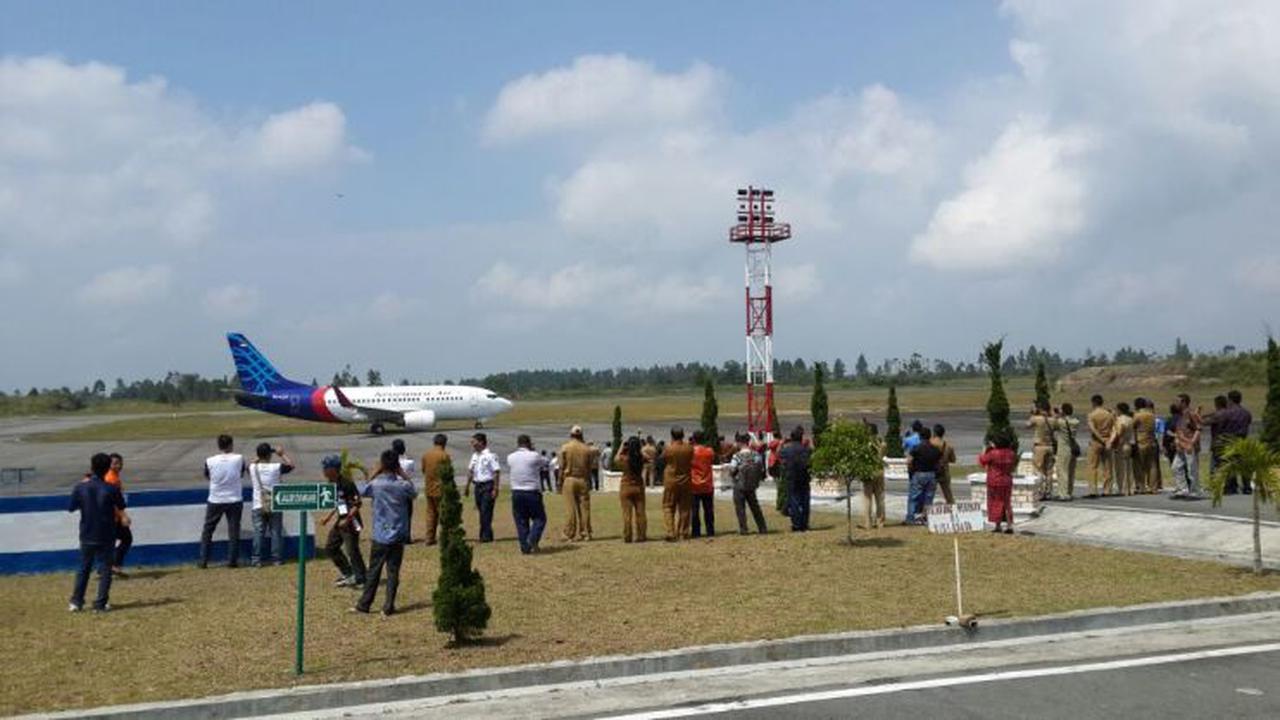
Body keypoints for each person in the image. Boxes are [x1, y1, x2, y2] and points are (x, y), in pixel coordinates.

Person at [351, 450, 415, 616]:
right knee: (393, 572)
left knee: (374, 571)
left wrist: (374, 472)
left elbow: (362, 491)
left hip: (380, 534)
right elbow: (413, 493)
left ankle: (364, 604)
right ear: (397, 466)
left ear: (382, 465)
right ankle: (388, 606)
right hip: (398, 533)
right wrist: (403, 474)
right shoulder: (403, 486)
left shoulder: (376, 485)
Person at [68, 453, 126, 612]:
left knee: (84, 568)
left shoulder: (80, 487)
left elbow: (71, 507)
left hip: (87, 532)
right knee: (106, 569)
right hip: (107, 533)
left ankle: (76, 601)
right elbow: (121, 505)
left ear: (91, 467)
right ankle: (100, 603)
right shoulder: (111, 488)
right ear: (108, 468)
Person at [200, 434, 246, 568]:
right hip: (234, 499)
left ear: (219, 446)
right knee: (234, 531)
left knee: (208, 530)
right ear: (231, 445)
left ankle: (203, 560)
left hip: (215, 498)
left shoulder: (210, 460)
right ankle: (232, 561)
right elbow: (241, 474)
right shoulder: (239, 458)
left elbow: (207, 476)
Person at [320, 455, 366, 587]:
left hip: (351, 522)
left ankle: (361, 578)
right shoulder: (331, 484)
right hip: (341, 520)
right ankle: (348, 573)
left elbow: (357, 504)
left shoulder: (347, 484)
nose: (323, 471)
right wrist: (328, 517)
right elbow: (338, 504)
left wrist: (347, 519)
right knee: (330, 547)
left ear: (333, 469)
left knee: (352, 550)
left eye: (325, 468)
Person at [249, 443, 294, 567]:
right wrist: (281, 454)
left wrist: (259, 456)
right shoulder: (276, 467)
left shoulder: (253, 468)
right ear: (269, 455)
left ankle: (256, 559)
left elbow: (252, 462)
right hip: (274, 504)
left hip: (258, 504)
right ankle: (276, 559)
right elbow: (291, 466)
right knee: (275, 532)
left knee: (258, 532)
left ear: (258, 455)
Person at [507, 434, 548, 554]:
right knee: (540, 518)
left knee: (521, 520)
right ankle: (532, 539)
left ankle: (524, 547)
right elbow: (545, 462)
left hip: (516, 491)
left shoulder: (511, 457)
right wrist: (533, 451)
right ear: (529, 443)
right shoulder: (534, 455)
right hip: (531, 491)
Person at [558, 426, 595, 541]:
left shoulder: (565, 447)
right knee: (585, 508)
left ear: (571, 435)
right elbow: (589, 468)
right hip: (583, 479)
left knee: (570, 507)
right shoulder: (587, 449)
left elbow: (561, 467)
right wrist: (589, 481)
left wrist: (559, 481)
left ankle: (569, 533)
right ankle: (586, 532)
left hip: (569, 479)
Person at [728, 432, 768, 534]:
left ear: (740, 442)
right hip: (752, 485)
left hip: (739, 485)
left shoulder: (737, 456)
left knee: (740, 508)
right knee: (755, 507)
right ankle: (762, 527)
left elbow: (732, 470)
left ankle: (744, 529)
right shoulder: (756, 454)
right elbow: (761, 468)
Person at [464, 432, 501, 543]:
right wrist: (467, 486)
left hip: (488, 485)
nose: (472, 444)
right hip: (477, 486)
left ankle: (485, 537)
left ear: (481, 442)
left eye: (474, 442)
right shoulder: (475, 456)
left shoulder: (490, 456)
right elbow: (470, 471)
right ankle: (487, 534)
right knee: (482, 511)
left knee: (486, 511)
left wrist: (495, 488)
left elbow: (496, 472)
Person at [980, 431, 1018, 534]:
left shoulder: (993, 453)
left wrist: (985, 449)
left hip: (994, 480)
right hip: (1006, 480)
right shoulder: (1011, 453)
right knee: (1006, 503)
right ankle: (1009, 525)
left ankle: (998, 525)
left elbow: (982, 460)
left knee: (995, 502)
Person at [662, 427, 695, 541]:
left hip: (671, 480)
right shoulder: (689, 448)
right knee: (685, 507)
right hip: (685, 480)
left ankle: (671, 532)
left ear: (672, 436)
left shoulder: (668, 448)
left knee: (668, 506)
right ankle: (683, 532)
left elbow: (663, 458)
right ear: (683, 435)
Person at [104, 453, 133, 576]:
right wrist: (122, 516)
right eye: (115, 463)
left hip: (112, 516)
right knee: (126, 539)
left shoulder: (114, 477)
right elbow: (113, 501)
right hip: (113, 517)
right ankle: (113, 565)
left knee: (112, 542)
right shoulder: (111, 479)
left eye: (120, 463)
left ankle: (108, 566)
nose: (118, 465)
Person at [779, 426, 813, 531]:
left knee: (794, 501)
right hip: (804, 477)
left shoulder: (787, 449)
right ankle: (804, 523)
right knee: (805, 502)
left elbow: (779, 455)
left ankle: (796, 524)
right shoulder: (806, 449)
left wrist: (781, 443)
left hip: (792, 478)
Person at [906, 426, 941, 524]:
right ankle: (925, 518)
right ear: (930, 437)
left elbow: (909, 461)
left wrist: (910, 471)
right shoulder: (935, 449)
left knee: (914, 497)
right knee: (928, 498)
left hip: (919, 473)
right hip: (931, 474)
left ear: (920, 437)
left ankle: (911, 518)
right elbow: (939, 463)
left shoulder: (916, 448)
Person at [616, 436, 648, 542]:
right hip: (638, 487)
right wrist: (640, 449)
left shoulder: (625, 459)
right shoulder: (641, 459)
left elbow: (616, 459)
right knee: (641, 513)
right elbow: (648, 457)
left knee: (627, 514)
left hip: (626, 486)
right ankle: (641, 535)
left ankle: (628, 536)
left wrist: (622, 447)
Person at [419, 434, 449, 545]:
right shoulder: (444, 455)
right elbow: (448, 473)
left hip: (429, 488)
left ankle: (429, 538)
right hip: (441, 489)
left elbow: (423, 470)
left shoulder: (426, 455)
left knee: (430, 514)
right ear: (444, 443)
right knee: (443, 514)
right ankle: (444, 537)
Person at [1223, 390, 1254, 494]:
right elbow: (1248, 422)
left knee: (1230, 463)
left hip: (1230, 440)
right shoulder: (1246, 413)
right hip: (1243, 440)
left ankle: (1231, 486)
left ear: (1230, 400)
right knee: (1244, 464)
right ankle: (1247, 486)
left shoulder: (1227, 413)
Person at [1172, 394, 1203, 499]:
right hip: (1181, 446)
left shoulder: (1191, 414)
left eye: (1178, 401)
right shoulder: (1181, 415)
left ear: (1184, 403)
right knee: (1176, 467)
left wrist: (1192, 443)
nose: (1176, 403)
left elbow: (1198, 429)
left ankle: (1195, 491)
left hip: (1189, 446)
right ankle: (1183, 490)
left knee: (1192, 469)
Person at [1086, 395, 1115, 497]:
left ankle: (1093, 490)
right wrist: (1108, 440)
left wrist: (1100, 438)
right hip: (1107, 441)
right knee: (1107, 467)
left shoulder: (1092, 415)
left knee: (1093, 466)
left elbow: (1092, 429)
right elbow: (1113, 428)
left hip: (1096, 442)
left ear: (1093, 403)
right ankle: (1107, 490)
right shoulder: (1109, 415)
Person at [690, 432, 717, 538]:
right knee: (709, 510)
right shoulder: (709, 451)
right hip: (707, 483)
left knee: (695, 510)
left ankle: (696, 532)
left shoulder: (692, 452)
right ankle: (710, 530)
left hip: (694, 483)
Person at [1027, 403, 1055, 501]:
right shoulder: (1052, 420)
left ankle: (1040, 491)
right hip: (1050, 446)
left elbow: (1028, 425)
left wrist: (1033, 413)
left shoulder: (1036, 419)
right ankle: (1048, 491)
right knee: (1049, 471)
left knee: (1038, 470)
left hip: (1040, 446)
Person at [860, 423, 887, 529]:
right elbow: (884, 453)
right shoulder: (881, 443)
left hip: (869, 471)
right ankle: (880, 522)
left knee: (867, 498)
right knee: (880, 498)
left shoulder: (866, 444)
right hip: (879, 470)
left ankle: (867, 523)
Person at [1051, 404, 1080, 500]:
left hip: (1063, 448)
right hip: (1072, 449)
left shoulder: (1061, 422)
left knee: (1062, 471)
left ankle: (1063, 493)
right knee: (1071, 472)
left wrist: (1057, 415)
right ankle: (1069, 491)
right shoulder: (1075, 421)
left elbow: (1052, 425)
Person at [1132, 399, 1159, 494]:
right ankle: (1153, 487)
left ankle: (1141, 486)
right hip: (1151, 441)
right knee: (1152, 465)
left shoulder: (1138, 415)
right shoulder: (1152, 415)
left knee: (1139, 465)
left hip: (1141, 442)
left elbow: (1132, 425)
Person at [392, 438, 416, 542]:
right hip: (405, 489)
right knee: (407, 513)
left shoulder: (391, 462)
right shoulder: (409, 462)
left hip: (393, 489)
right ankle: (407, 536)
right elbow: (412, 471)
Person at [1110, 402, 1136, 496]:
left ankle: (1122, 489)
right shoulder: (1130, 419)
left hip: (1121, 444)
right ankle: (1130, 488)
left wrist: (1114, 443)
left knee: (1120, 469)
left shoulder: (1120, 420)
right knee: (1128, 468)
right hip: (1128, 443)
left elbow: (1119, 431)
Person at [931, 424, 958, 505]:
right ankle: (953, 509)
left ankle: (925, 512)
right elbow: (953, 460)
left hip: (932, 471)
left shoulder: (930, 443)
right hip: (944, 471)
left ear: (934, 433)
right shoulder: (948, 446)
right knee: (948, 494)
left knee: (929, 494)